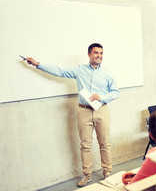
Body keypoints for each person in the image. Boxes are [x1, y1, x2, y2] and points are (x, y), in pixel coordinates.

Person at [25, 43, 120, 187]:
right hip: (84, 111)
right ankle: (87, 175)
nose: (99, 56)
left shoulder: (108, 73)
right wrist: (38, 64)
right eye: (96, 53)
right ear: (89, 54)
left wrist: (101, 97)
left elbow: (115, 92)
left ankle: (107, 172)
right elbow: (59, 71)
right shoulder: (79, 70)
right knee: (85, 145)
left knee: (104, 143)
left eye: (101, 53)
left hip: (102, 110)